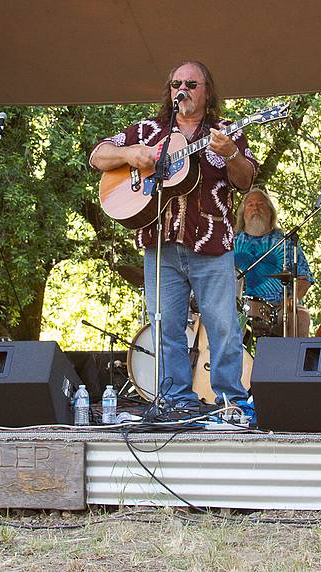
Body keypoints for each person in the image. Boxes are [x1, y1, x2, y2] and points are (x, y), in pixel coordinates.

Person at [89, 60, 257, 410]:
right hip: (160, 246)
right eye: (176, 84)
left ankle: (232, 404)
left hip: (211, 244)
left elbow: (246, 180)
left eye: (191, 84)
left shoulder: (227, 131)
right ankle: (175, 403)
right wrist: (131, 153)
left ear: (207, 92)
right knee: (166, 328)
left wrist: (231, 154)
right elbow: (98, 156)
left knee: (223, 327)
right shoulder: (150, 130)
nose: (182, 89)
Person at [233, 188, 315, 336]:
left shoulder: (286, 242)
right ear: (242, 214)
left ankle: (291, 359)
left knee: (301, 316)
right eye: (250, 205)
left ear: (271, 212)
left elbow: (305, 279)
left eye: (261, 204)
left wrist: (292, 298)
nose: (255, 208)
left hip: (277, 308)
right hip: (237, 306)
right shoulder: (231, 241)